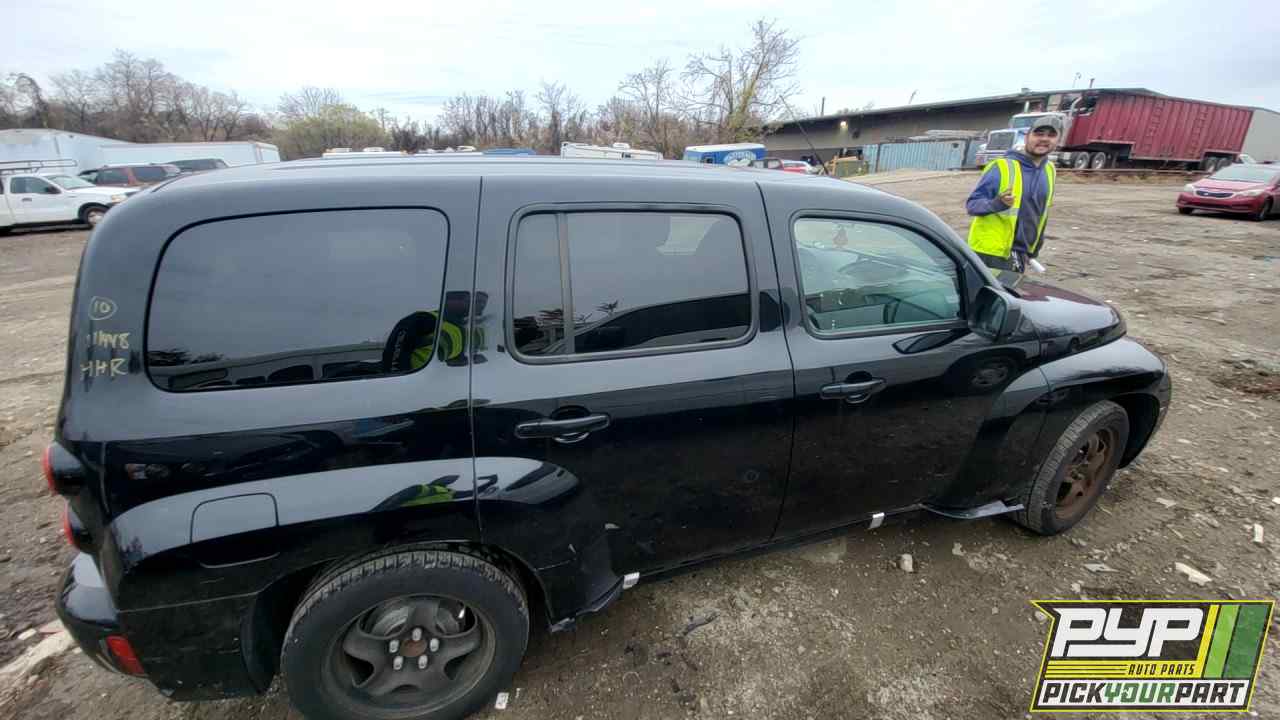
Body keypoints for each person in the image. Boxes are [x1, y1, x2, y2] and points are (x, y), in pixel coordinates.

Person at [965, 115, 1061, 274]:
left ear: (1058, 140)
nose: (1044, 139)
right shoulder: (1002, 167)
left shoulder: (1050, 170)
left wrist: (1035, 247)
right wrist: (997, 204)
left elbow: (1041, 213)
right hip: (991, 253)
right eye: (1039, 134)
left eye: (1051, 135)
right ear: (1027, 137)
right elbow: (972, 205)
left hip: (1021, 252)